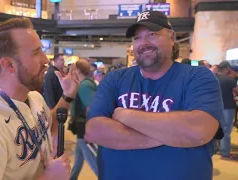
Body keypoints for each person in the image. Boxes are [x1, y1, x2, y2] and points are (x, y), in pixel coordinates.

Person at [85, 11, 223, 180]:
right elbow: (94, 131)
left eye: (152, 34)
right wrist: (170, 135)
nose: (144, 43)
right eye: (137, 38)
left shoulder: (197, 77)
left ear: (172, 38)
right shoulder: (115, 79)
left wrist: (125, 115)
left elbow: (199, 130)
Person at [0, 18, 79, 180]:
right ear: (9, 65)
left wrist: (67, 96)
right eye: (36, 53)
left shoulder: (34, 98)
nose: (45, 60)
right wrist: (49, 177)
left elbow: (48, 125)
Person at [69, 59, 98, 180]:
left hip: (84, 128)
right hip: (81, 126)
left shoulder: (84, 86)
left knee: (92, 160)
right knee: (79, 157)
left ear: (77, 70)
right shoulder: (86, 83)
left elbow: (92, 106)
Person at [217, 61, 238, 160]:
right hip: (228, 107)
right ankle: (225, 152)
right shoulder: (230, 80)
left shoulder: (216, 78)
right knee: (226, 131)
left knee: (218, 128)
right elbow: (236, 92)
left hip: (218, 107)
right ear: (227, 68)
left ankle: (216, 148)